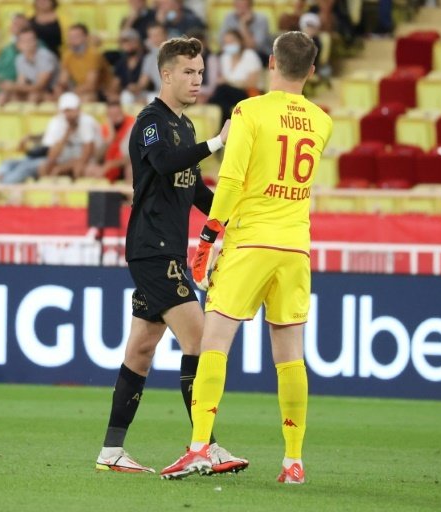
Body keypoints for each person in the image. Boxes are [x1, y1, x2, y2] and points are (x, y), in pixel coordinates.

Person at [160, 31, 333, 484]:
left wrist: (208, 235)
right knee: (290, 356)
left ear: (271, 62)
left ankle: (199, 447)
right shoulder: (322, 121)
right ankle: (293, 461)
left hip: (250, 241)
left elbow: (233, 181)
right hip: (295, 246)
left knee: (214, 343)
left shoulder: (249, 111)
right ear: (311, 71)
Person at [94, 36, 247, 475]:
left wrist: (231, 217)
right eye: (188, 72)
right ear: (166, 73)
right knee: (199, 340)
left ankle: (111, 452)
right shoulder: (151, 122)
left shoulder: (184, 127)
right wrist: (218, 142)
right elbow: (162, 163)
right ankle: (206, 447)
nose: (196, 80)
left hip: (165, 253)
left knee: (141, 349)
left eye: (200, 72)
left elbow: (196, 190)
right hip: (151, 251)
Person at [38, 92, 102, 178]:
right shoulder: (56, 122)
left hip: (88, 160)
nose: (69, 115)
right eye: (66, 111)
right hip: (66, 159)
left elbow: (88, 151)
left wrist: (66, 167)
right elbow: (51, 156)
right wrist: (66, 135)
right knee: (44, 167)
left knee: (79, 168)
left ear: (78, 110)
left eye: (71, 110)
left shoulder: (86, 121)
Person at [208, 29, 262, 125]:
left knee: (221, 90)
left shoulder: (250, 55)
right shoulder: (224, 58)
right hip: (229, 95)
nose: (229, 44)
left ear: (240, 41)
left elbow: (251, 83)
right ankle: (228, 126)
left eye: (232, 41)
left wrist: (229, 82)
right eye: (226, 42)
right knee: (222, 98)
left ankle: (224, 129)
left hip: (248, 93)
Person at [0, 27, 58, 104]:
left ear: (36, 42)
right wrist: (7, 88)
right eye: (24, 41)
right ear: (18, 45)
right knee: (4, 96)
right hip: (36, 90)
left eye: (31, 40)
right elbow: (21, 83)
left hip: (53, 91)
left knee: (33, 96)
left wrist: (13, 86)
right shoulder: (19, 59)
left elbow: (40, 86)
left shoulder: (44, 56)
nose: (28, 43)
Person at [56, 23, 112, 102]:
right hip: (80, 89)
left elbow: (91, 85)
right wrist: (60, 89)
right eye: (70, 37)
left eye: (76, 37)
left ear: (86, 37)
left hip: (103, 90)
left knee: (86, 98)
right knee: (56, 96)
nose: (72, 40)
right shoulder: (67, 55)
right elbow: (63, 80)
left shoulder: (93, 54)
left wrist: (72, 93)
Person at [85, 98, 135, 182]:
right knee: (89, 169)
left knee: (130, 169)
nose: (114, 118)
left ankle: (131, 194)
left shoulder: (132, 125)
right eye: (111, 115)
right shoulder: (105, 127)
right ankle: (97, 194)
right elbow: (97, 157)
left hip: (123, 165)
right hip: (108, 165)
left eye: (117, 114)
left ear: (122, 112)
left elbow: (131, 157)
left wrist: (109, 166)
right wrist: (109, 140)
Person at [0, 14, 29, 99]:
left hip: (18, 91)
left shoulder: (35, 46)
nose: (17, 27)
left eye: (20, 24)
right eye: (15, 24)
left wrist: (13, 86)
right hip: (0, 89)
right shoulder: (6, 49)